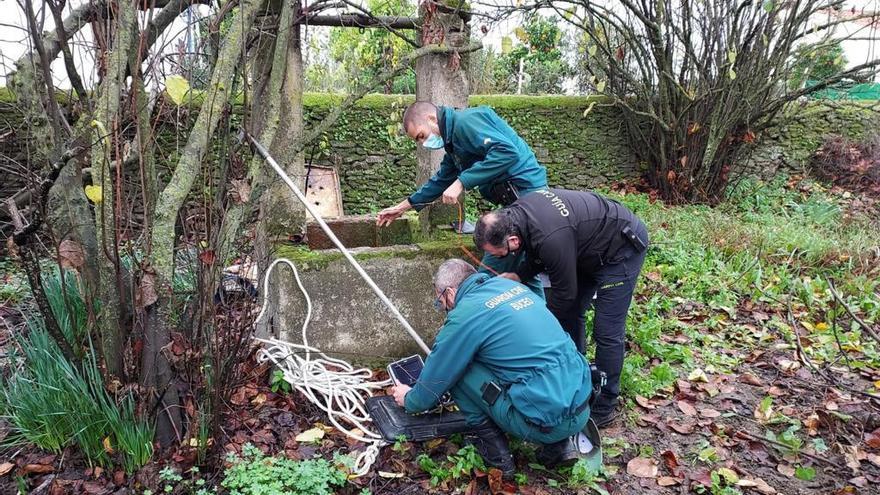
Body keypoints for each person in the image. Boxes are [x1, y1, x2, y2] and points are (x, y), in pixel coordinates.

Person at [391, 259, 594, 475]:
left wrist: (409, 399)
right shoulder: (511, 286)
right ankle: (560, 446)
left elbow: (433, 387)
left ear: (449, 293)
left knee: (459, 370)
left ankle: (496, 456)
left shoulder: (465, 314)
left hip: (545, 423)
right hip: (581, 406)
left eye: (440, 302)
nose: (443, 308)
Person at [473, 188, 649, 428]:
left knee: (606, 330)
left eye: (501, 254)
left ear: (513, 241)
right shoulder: (519, 216)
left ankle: (606, 404)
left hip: (620, 249)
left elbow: (564, 293)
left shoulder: (550, 236)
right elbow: (537, 254)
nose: (500, 258)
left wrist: (541, 327)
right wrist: (517, 274)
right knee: (572, 314)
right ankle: (578, 378)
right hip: (585, 248)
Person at [375, 101, 547, 293]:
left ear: (431, 119)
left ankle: (535, 316)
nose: (424, 143)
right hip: (512, 203)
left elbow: (507, 152)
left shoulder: (466, 122)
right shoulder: (453, 144)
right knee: (498, 268)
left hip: (528, 198)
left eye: (422, 136)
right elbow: (440, 181)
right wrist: (402, 207)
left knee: (509, 267)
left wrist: (461, 182)